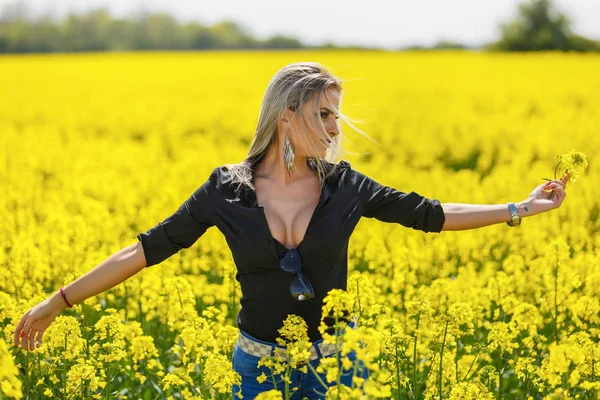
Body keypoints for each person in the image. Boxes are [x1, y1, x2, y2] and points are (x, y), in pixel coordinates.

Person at [13, 62, 568, 399]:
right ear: (286, 115)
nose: (335, 129)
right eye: (324, 115)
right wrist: (56, 302)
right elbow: (144, 250)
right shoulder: (225, 190)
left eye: (336, 116)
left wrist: (519, 208)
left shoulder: (345, 185)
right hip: (257, 369)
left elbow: (430, 213)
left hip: (341, 366)